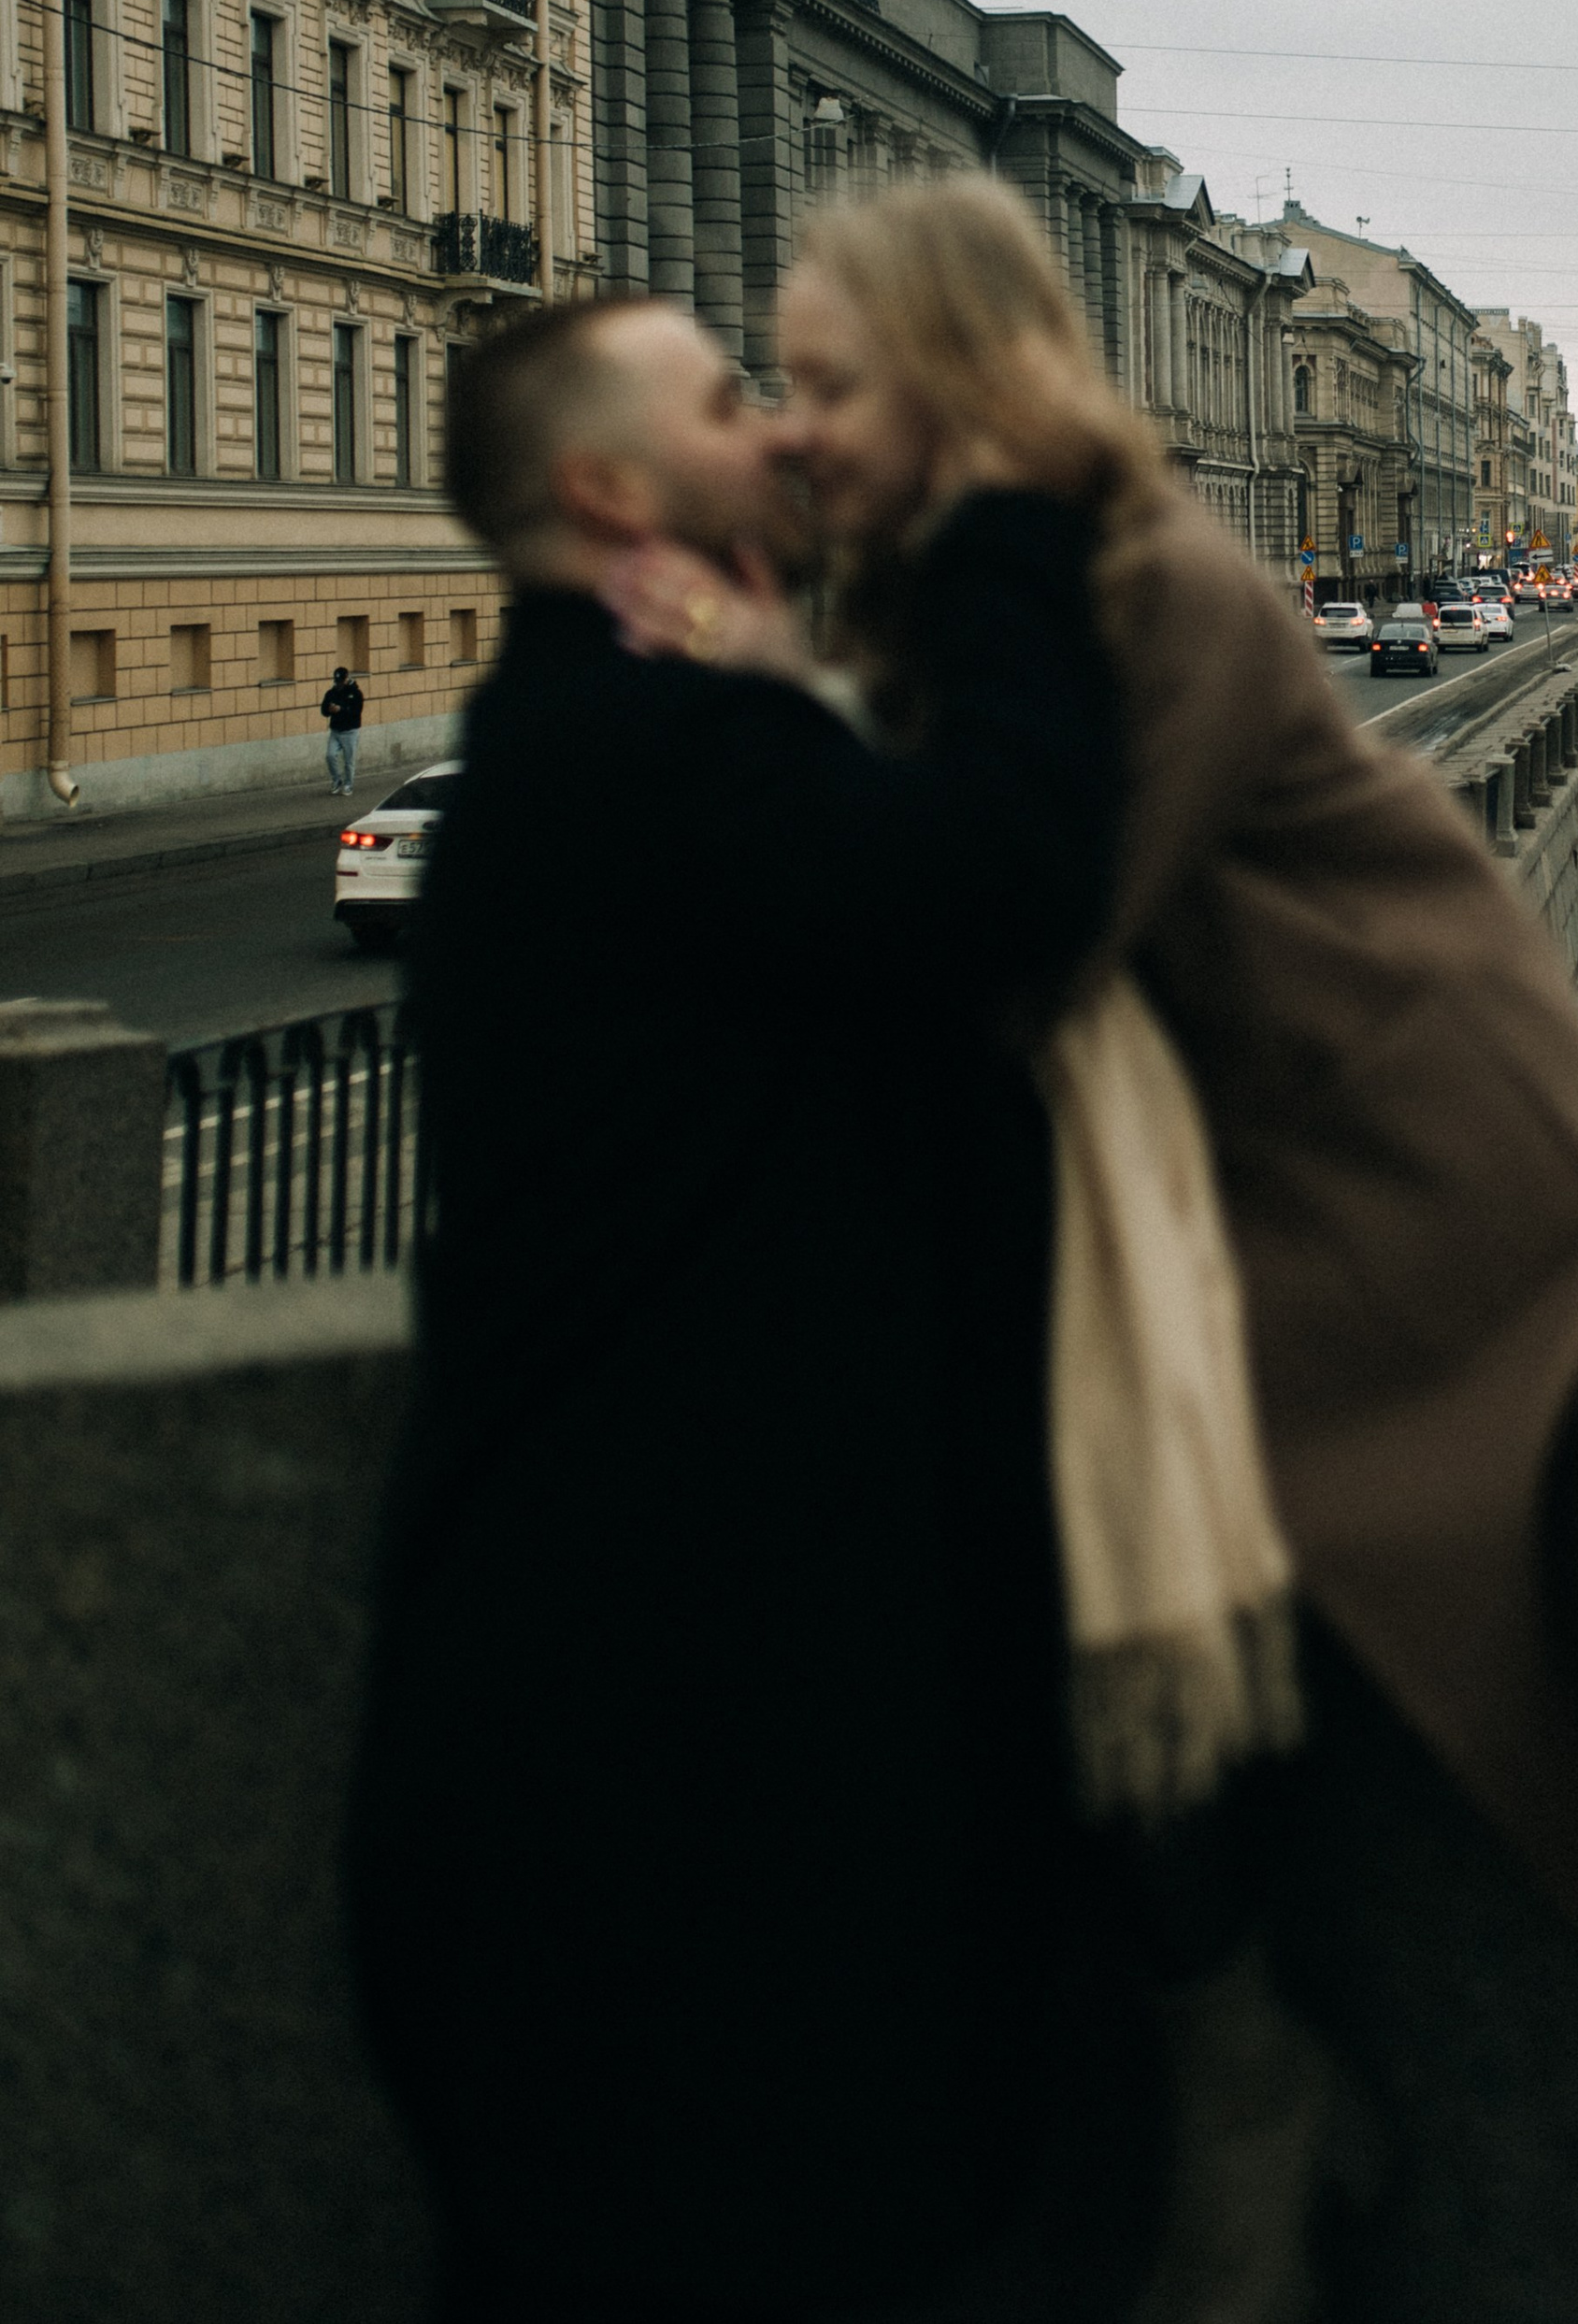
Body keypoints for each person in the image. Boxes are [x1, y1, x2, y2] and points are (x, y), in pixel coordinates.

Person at [610, 183, 1578, 2016]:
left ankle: (1236, 2055)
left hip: (1416, 1149)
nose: (786, 424)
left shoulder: (1156, 589)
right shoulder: (986, 596)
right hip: (1273, 1122)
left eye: (827, 381)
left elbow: (1008, 941)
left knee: (1081, 1536)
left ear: (950, 377)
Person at [343, 295, 1159, 2324]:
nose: (788, 435)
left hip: (623, 1704)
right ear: (611, 489)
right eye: (733, 401)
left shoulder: (617, 736)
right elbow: (1011, 862)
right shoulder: (637, 757)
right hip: (658, 1753)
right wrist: (999, 526)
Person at [320, 659, 365, 794]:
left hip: (350, 731)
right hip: (335, 731)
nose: (338, 684)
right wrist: (330, 710)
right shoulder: (331, 693)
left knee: (348, 761)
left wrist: (341, 709)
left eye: (341, 681)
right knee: (330, 755)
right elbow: (323, 711)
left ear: (346, 679)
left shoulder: (356, 693)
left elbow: (356, 712)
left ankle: (348, 784)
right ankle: (336, 779)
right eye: (336, 681)